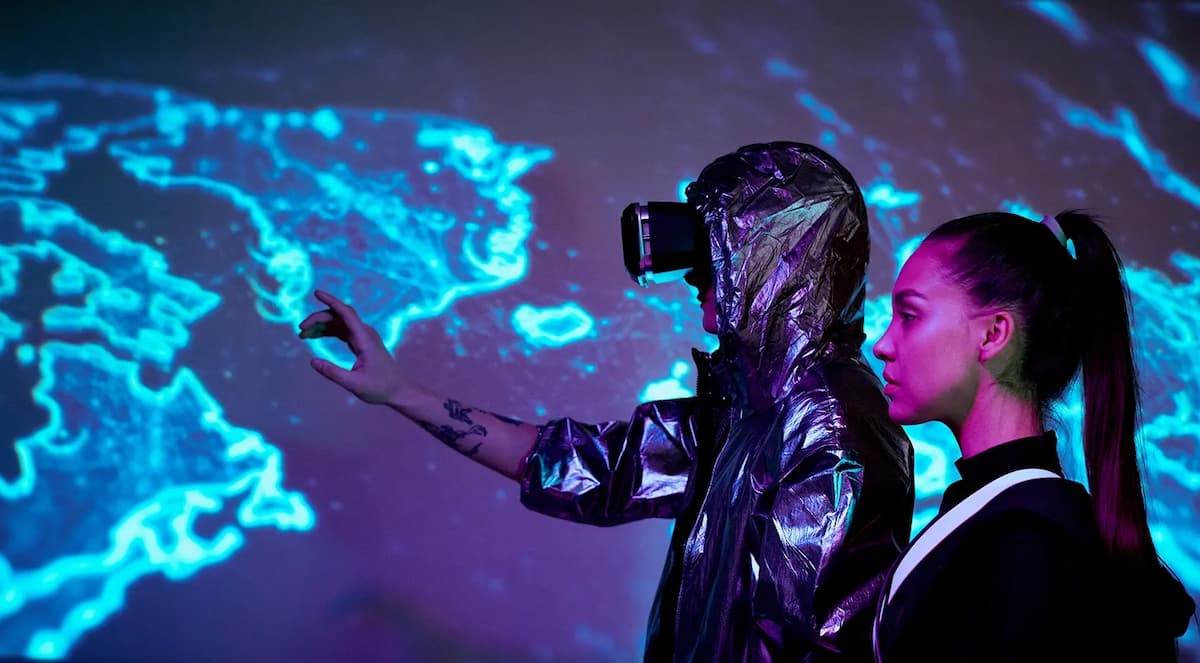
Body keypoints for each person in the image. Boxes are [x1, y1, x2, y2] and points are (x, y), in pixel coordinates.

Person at [300, 141, 914, 662]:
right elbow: (584, 466)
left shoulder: (831, 428)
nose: (692, 273)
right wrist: (400, 392)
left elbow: (805, 647)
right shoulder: (746, 411)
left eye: (717, 247)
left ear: (777, 258)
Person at [871, 211, 1196, 661]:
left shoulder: (1029, 543)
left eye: (909, 315)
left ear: (994, 334)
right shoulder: (1009, 522)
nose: (882, 344)